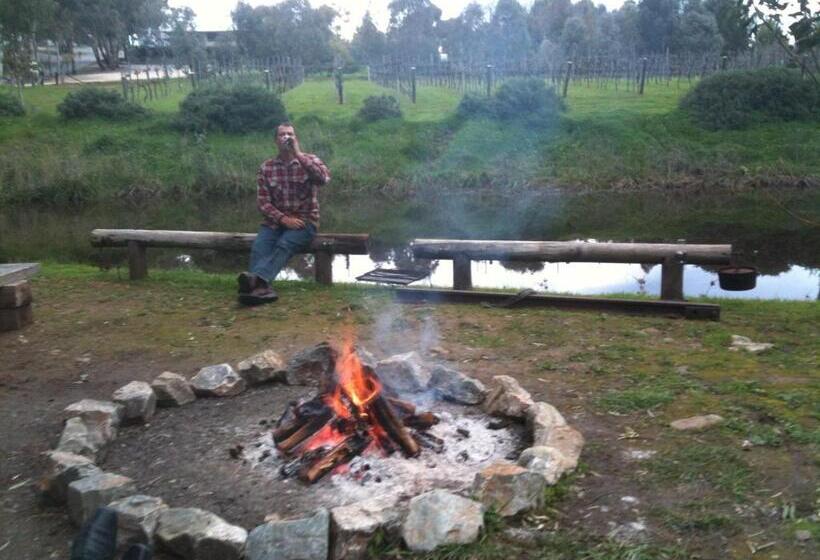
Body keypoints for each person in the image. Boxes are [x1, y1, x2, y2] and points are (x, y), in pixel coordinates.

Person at [237, 123, 331, 305]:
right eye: (282, 135)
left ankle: (254, 283)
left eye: (290, 134)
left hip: (305, 222)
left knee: (285, 244)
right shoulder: (267, 168)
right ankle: (261, 289)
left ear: (296, 139)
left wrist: (298, 154)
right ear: (276, 141)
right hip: (275, 222)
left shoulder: (310, 160)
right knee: (259, 247)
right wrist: (283, 219)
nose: (286, 137)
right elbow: (263, 203)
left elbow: (323, 179)